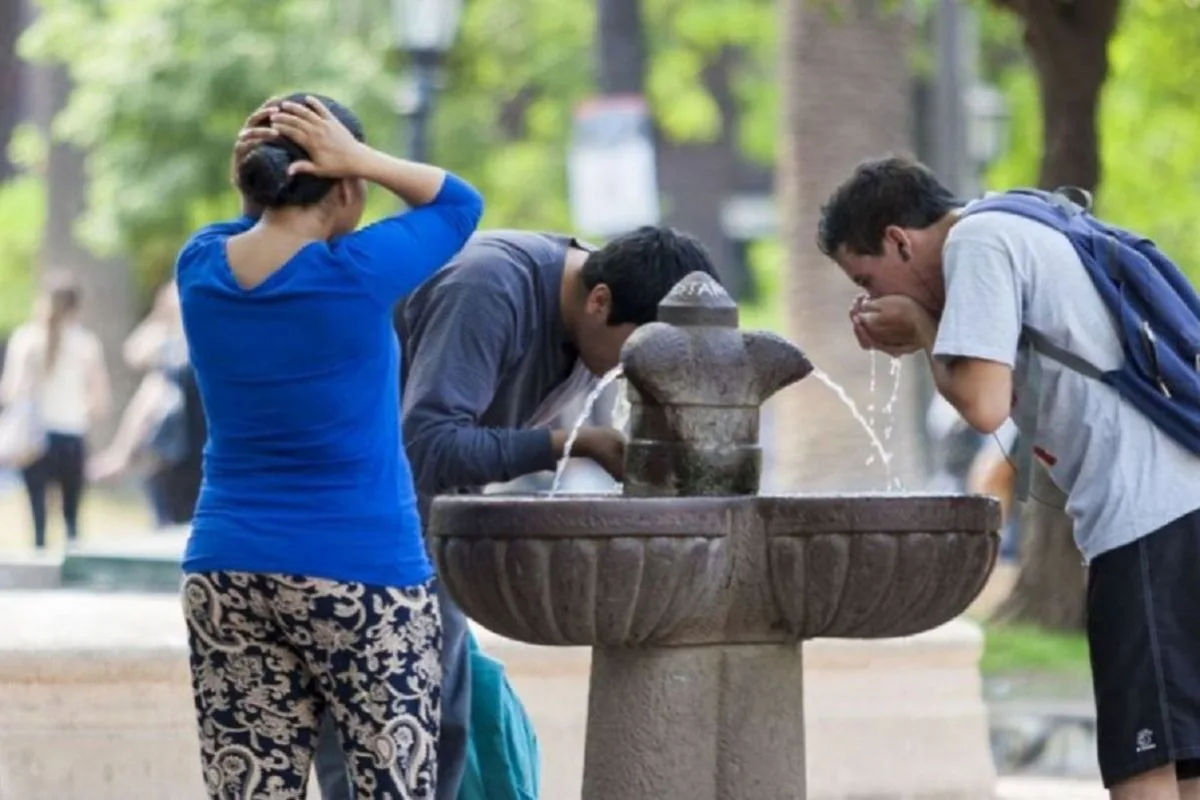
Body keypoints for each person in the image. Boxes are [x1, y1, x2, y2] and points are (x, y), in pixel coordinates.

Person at [816, 154, 1200, 800]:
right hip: (1182, 503)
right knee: (1186, 762)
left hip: (1147, 522)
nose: (869, 299)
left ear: (898, 240)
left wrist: (918, 327)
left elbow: (983, 402)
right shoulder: (1025, 218)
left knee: (1143, 772)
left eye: (866, 277)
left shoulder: (978, 241)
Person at [313, 226, 721, 800]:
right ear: (599, 300)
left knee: (439, 732)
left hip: (420, 526)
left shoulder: (590, 323)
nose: (637, 375)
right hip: (349, 527)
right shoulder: (486, 288)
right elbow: (426, 447)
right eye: (638, 355)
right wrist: (571, 444)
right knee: (379, 744)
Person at [175, 93, 483, 799]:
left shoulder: (199, 269)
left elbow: (249, 233)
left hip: (228, 568)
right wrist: (366, 159)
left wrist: (257, 182)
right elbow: (459, 204)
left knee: (250, 788)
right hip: (362, 573)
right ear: (345, 183)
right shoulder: (356, 271)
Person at [0, 273, 111, 549]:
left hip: (34, 438)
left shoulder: (25, 339)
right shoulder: (86, 343)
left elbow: (11, 391)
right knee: (72, 520)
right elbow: (100, 401)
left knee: (38, 521)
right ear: (77, 307)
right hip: (71, 436)